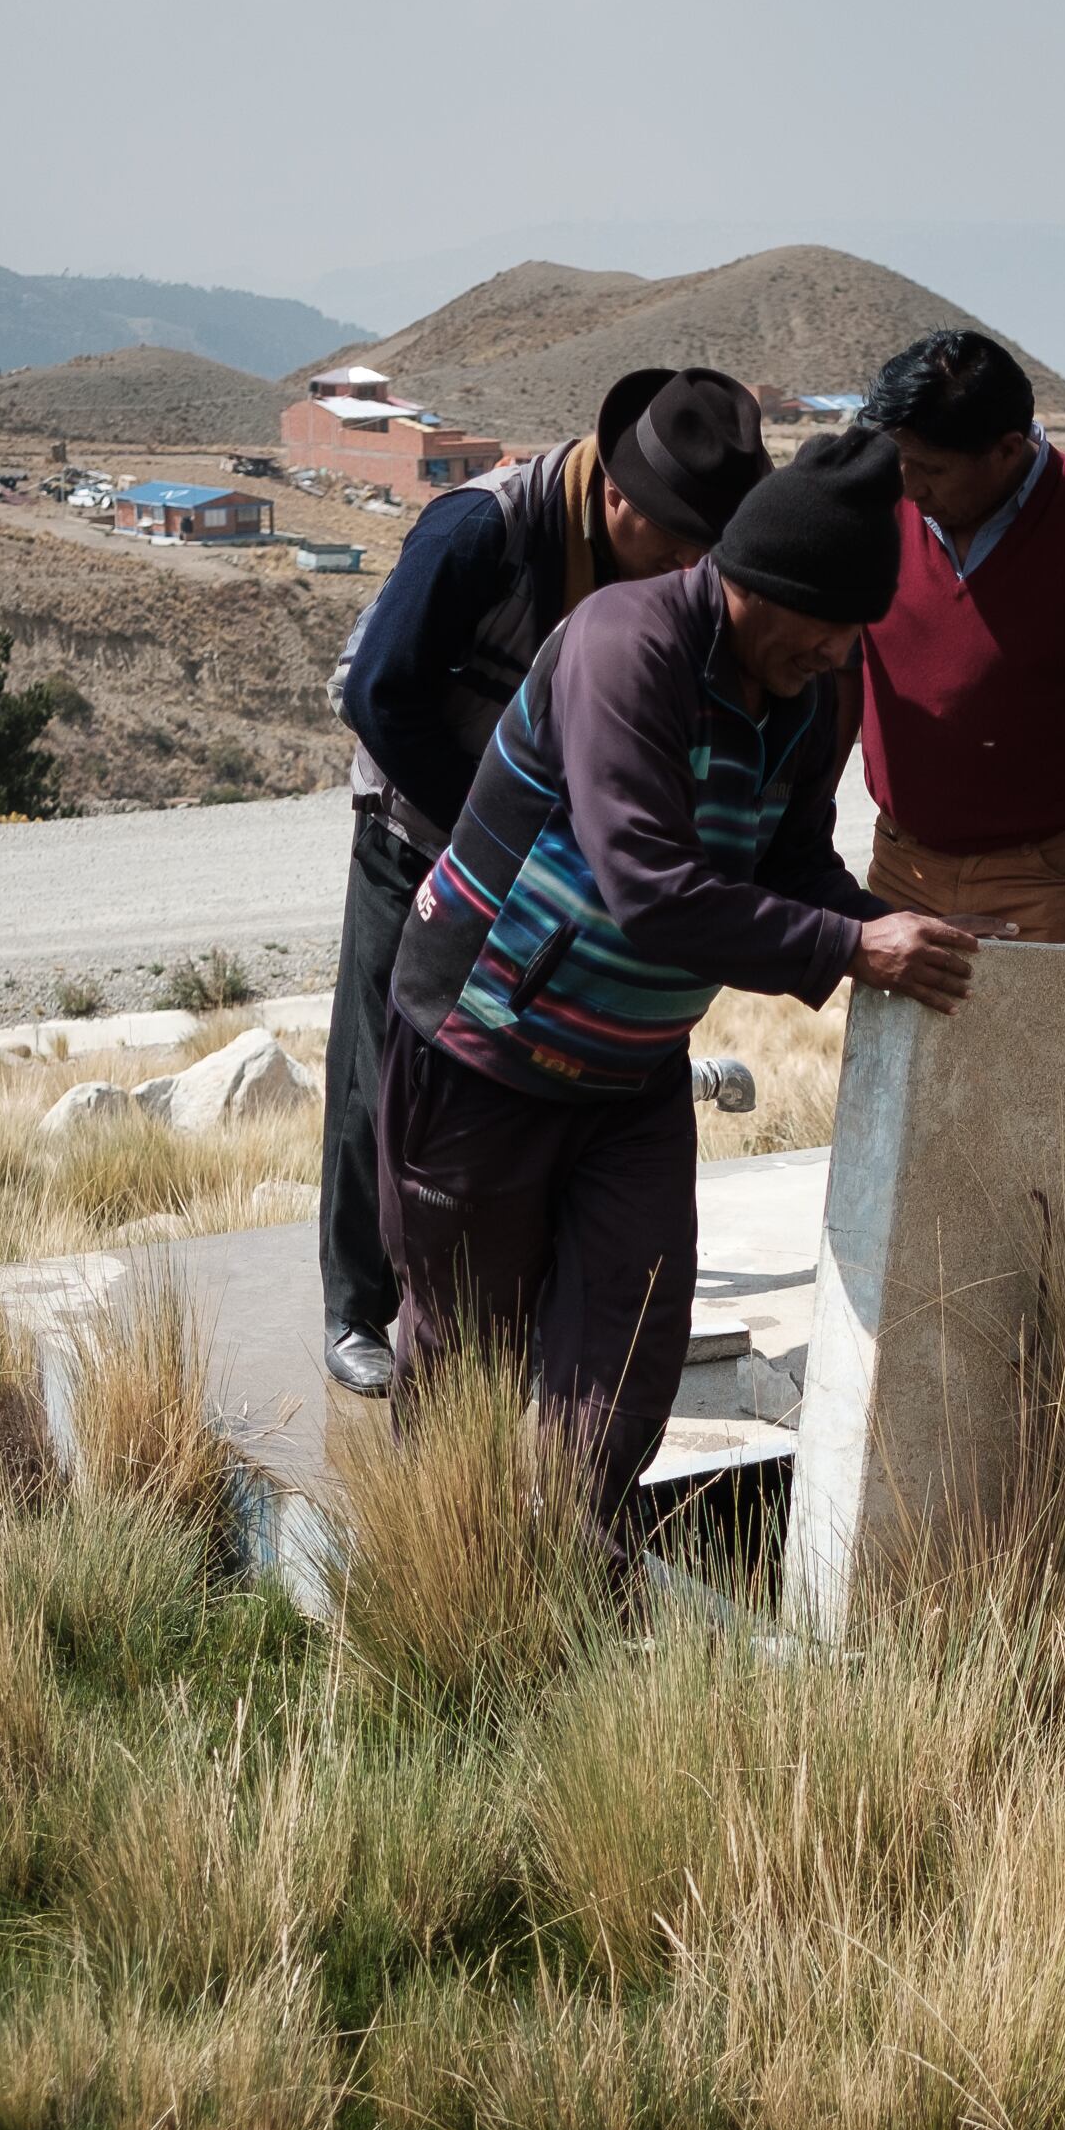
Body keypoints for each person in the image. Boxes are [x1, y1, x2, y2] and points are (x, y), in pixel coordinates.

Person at [382, 430, 980, 1540]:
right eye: (832, 626)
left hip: (629, 1068)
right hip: (484, 1044)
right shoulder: (626, 645)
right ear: (758, 586)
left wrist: (885, 929)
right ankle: (439, 1578)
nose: (845, 654)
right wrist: (849, 952)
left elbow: (792, 863)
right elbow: (649, 886)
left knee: (631, 1328)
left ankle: (571, 1565)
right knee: (469, 1342)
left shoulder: (809, 689)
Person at [315, 366, 771, 1400]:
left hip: (561, 879)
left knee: (520, 1085)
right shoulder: (479, 531)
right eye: (680, 540)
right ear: (615, 496)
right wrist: (491, 830)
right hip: (421, 839)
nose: (693, 565)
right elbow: (377, 694)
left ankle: (497, 1298)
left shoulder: (655, 568)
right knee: (381, 1068)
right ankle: (357, 1306)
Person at [853, 329, 1065, 946]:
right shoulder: (881, 503)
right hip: (901, 866)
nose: (911, 486)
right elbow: (843, 670)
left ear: (1005, 450)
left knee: (1038, 1045)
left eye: (932, 469)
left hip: (1046, 882)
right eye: (902, 461)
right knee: (900, 1048)